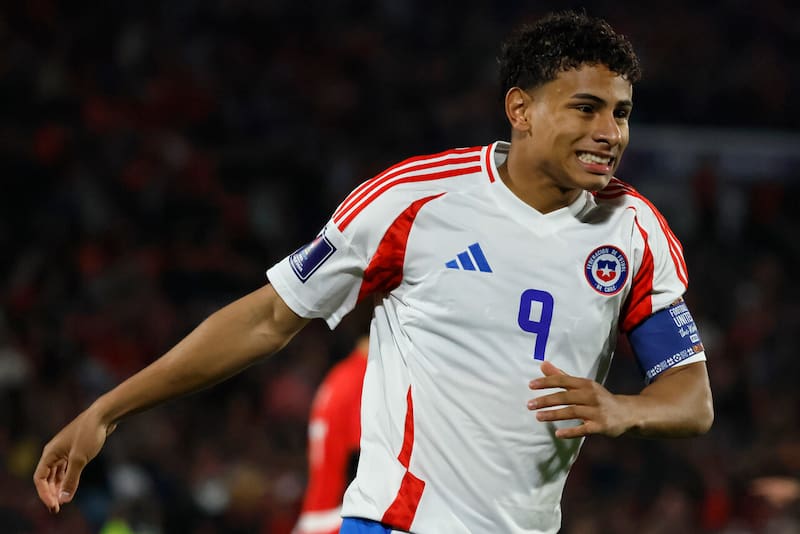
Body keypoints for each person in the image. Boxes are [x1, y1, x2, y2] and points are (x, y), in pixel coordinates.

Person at [34, 10, 713, 534]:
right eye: (586, 108)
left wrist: (624, 410)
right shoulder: (414, 201)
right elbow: (270, 317)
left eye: (620, 113)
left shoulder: (635, 231)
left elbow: (691, 397)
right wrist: (108, 411)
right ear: (520, 110)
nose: (610, 132)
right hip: (397, 523)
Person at [293, 335, 369, 534]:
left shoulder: (341, 374)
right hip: (339, 519)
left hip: (317, 516)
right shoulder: (366, 375)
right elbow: (363, 463)